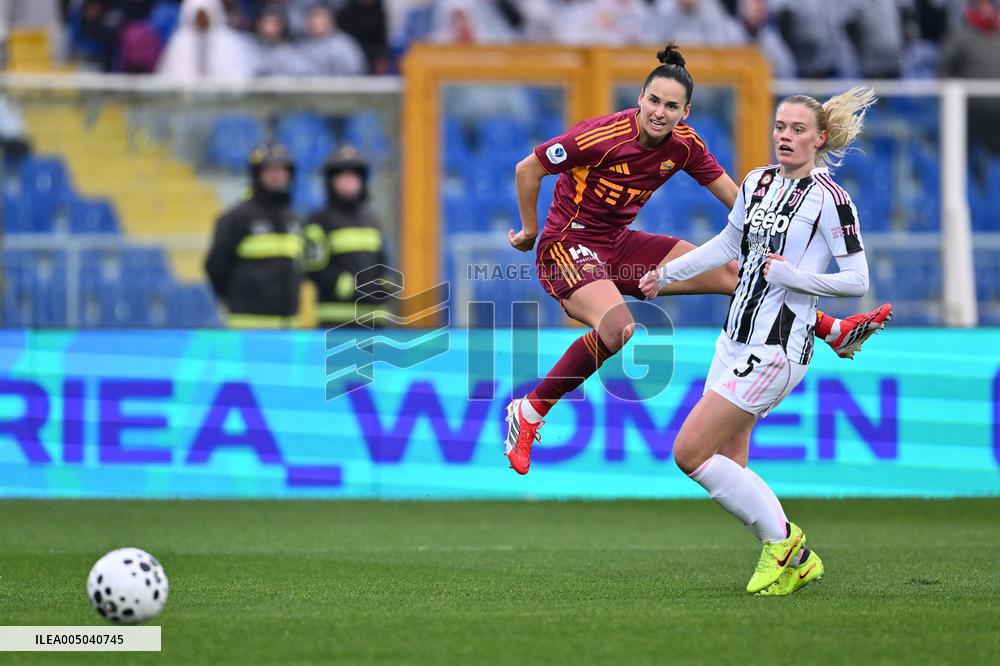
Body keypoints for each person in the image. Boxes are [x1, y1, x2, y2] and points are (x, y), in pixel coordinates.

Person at [503, 43, 892, 475]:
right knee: (618, 329)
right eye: (653, 100)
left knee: (734, 272)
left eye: (671, 106)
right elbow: (528, 168)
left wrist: (782, 205)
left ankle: (830, 331)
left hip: (618, 244)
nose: (659, 112)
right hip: (567, 243)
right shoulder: (600, 136)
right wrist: (530, 230)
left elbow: (738, 201)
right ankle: (531, 411)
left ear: (684, 112)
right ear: (640, 98)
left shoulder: (684, 146)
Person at [636, 86, 880, 595]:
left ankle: (787, 547)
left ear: (820, 138)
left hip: (777, 349)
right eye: (780, 127)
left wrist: (796, 277)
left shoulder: (832, 200)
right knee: (729, 464)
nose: (785, 137)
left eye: (797, 130)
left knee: (689, 452)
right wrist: (668, 275)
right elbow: (728, 243)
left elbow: (857, 280)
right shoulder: (757, 182)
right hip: (733, 340)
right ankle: (790, 557)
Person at [205, 141, 304, 328]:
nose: (276, 175)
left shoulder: (293, 219)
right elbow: (215, 266)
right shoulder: (236, 218)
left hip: (289, 326)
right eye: (270, 170)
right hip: (248, 326)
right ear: (257, 173)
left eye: (281, 170)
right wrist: (238, 300)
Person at [304, 146, 391, 328]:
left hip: (376, 321)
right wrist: (346, 286)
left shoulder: (372, 220)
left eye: (353, 176)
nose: (349, 182)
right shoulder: (319, 220)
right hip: (338, 323)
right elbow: (314, 268)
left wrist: (385, 285)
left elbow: (383, 263)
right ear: (331, 181)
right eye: (342, 177)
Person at [156, 0, 254, 85]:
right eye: (198, 15)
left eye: (204, 15)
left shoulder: (228, 41)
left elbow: (238, 78)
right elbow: (170, 77)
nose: (202, 20)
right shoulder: (180, 41)